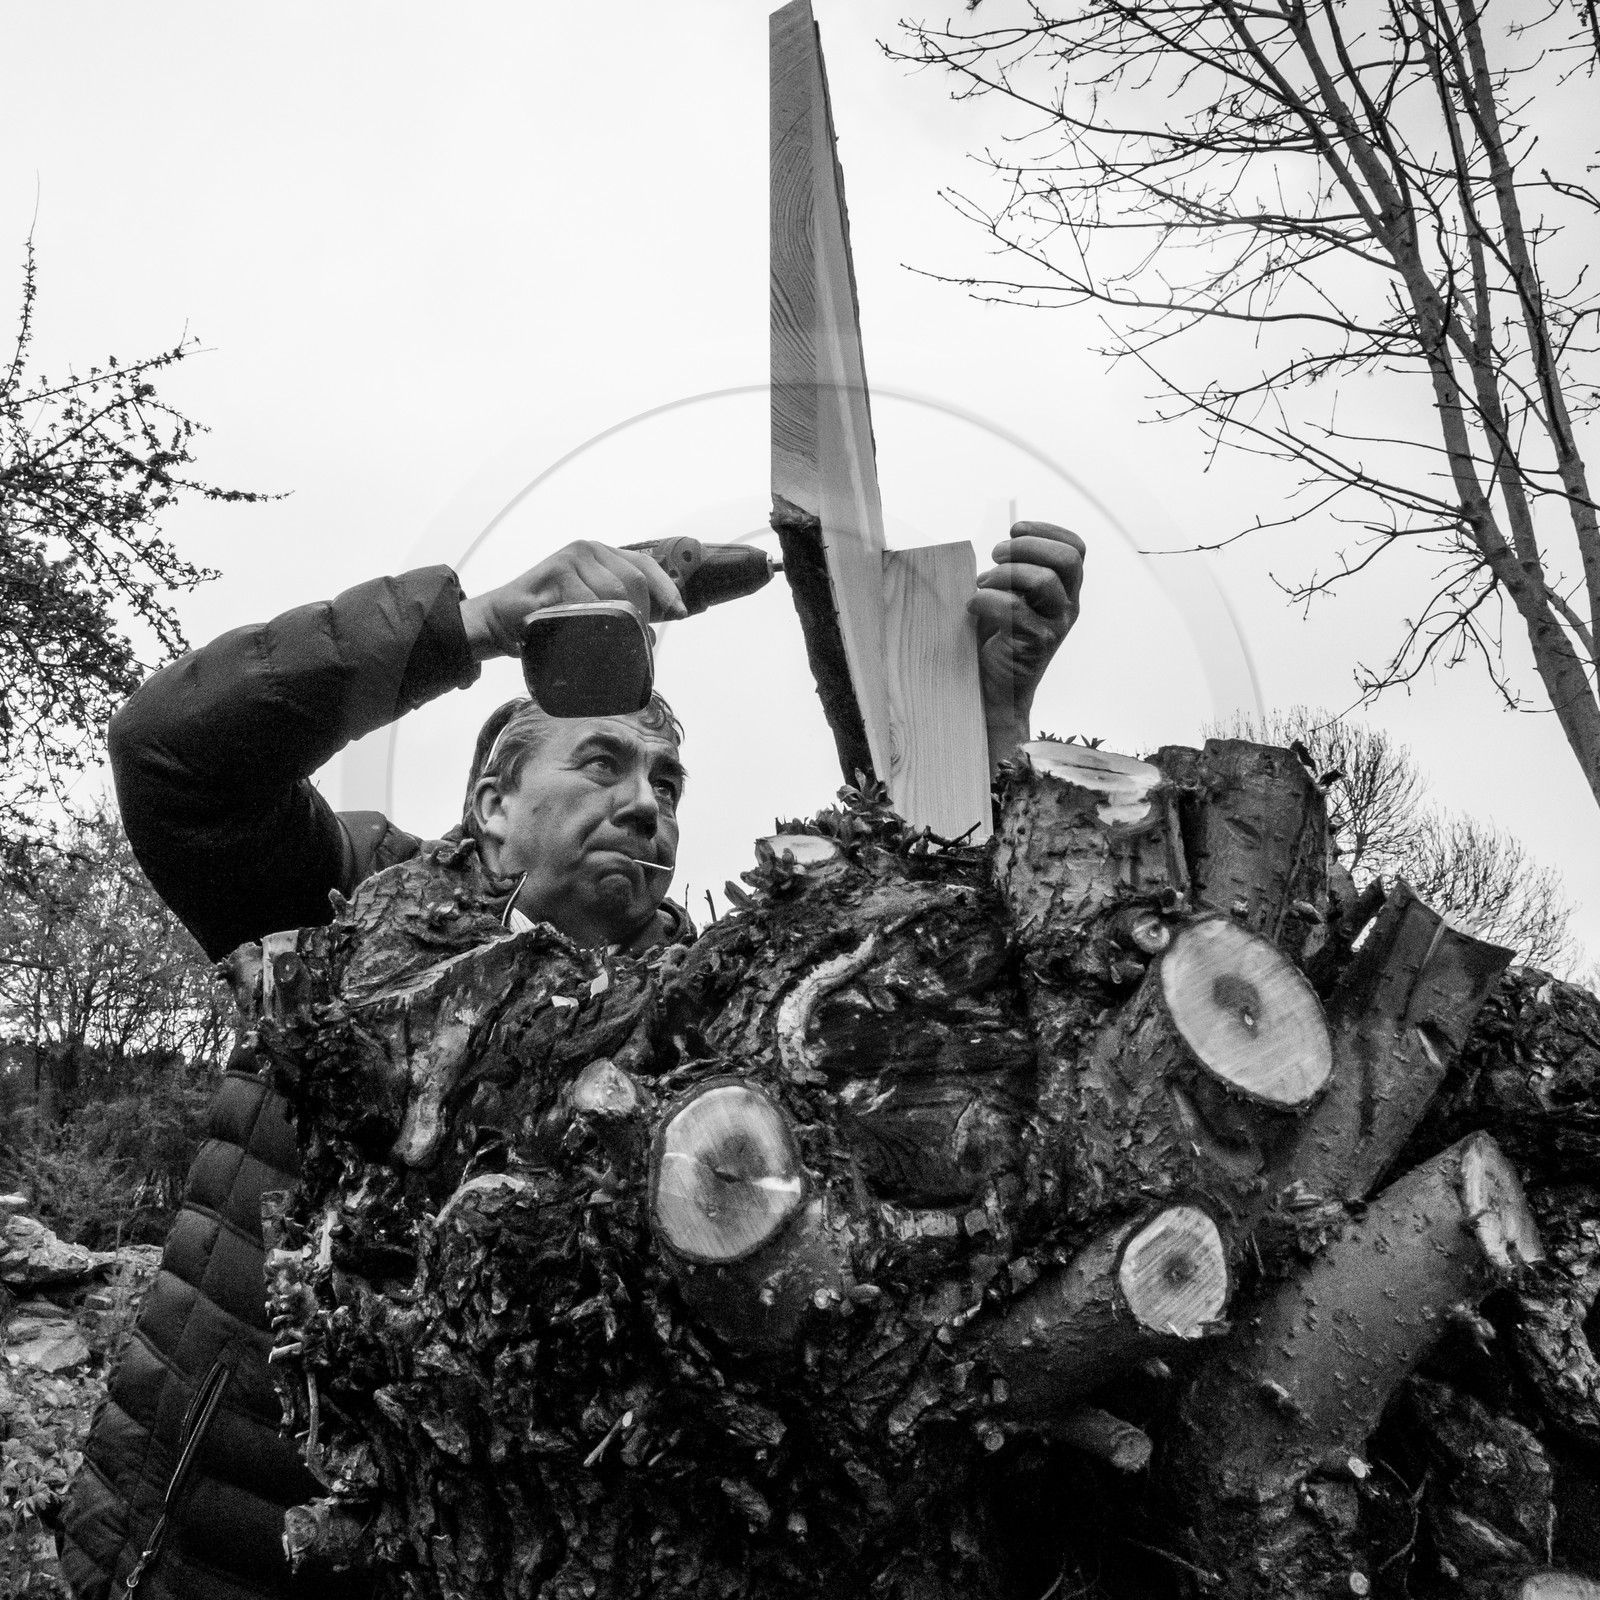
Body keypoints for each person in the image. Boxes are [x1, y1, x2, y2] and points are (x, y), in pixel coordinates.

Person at [57, 525, 1085, 1600]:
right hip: (179, 1551)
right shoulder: (346, 907)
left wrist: (988, 731)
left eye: (670, 783)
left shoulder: (714, 1034)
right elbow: (173, 753)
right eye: (603, 762)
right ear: (493, 807)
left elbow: (944, 1047)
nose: (650, 802)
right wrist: (472, 623)